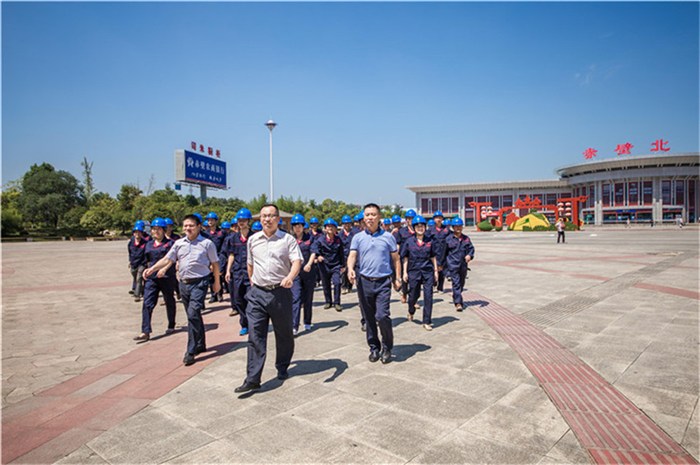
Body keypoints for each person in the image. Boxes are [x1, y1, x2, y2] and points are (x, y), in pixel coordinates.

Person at [234, 204, 303, 393]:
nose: (267, 219)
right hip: (257, 294)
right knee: (255, 335)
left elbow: (297, 261)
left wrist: (290, 277)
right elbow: (250, 264)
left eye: (271, 216)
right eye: (264, 216)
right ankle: (253, 378)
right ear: (259, 219)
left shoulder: (287, 239)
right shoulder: (253, 240)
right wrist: (253, 284)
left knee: (284, 334)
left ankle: (282, 366)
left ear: (278, 218)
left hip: (280, 292)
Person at [143, 214, 220, 366]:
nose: (187, 228)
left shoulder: (207, 244)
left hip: (200, 283)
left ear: (198, 226)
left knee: (192, 313)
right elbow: (168, 259)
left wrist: (216, 283)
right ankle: (201, 343)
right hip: (184, 284)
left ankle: (190, 351)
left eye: (191, 225)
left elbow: (215, 264)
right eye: (185, 226)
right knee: (194, 315)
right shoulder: (178, 244)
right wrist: (152, 268)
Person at [347, 203, 402, 364]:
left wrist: (397, 278)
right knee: (369, 318)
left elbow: (396, 259)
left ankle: (387, 347)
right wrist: (350, 269)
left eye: (373, 214)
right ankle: (374, 348)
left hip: (383, 282)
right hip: (364, 282)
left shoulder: (388, 237)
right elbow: (352, 256)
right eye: (367, 215)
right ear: (363, 218)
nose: (370, 217)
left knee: (382, 315)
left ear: (379, 217)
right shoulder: (357, 238)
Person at [133, 218, 177, 342]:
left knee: (169, 300)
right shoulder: (148, 244)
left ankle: (171, 324)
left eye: (158, 229)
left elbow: (172, 259)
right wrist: (145, 271)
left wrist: (165, 269)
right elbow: (146, 260)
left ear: (164, 230)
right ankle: (145, 331)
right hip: (152, 278)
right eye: (153, 229)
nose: (155, 232)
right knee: (147, 303)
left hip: (167, 277)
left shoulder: (170, 244)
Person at [401, 215, 438, 330]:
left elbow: (433, 257)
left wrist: (436, 271)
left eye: (422, 226)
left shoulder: (430, 241)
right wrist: (404, 273)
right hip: (414, 271)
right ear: (414, 227)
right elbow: (405, 257)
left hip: (427, 271)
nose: (420, 228)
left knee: (428, 296)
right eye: (418, 226)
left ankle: (426, 321)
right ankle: (411, 310)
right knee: (413, 295)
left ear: (425, 227)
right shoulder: (409, 241)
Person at [224, 208, 254, 334]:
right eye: (239, 220)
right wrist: (227, 271)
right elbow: (231, 255)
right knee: (238, 299)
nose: (241, 222)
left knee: (251, 299)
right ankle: (244, 324)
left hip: (251, 274)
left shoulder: (254, 237)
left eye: (244, 220)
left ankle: (252, 324)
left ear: (248, 221)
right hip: (237, 273)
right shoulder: (233, 238)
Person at [307, 218, 344, 311]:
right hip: (324, 265)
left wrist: (343, 265)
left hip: (335, 265)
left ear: (335, 229)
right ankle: (328, 301)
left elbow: (341, 253)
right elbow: (315, 249)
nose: (330, 228)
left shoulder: (338, 240)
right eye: (328, 226)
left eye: (332, 226)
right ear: (325, 228)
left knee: (337, 283)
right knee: (326, 284)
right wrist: (318, 256)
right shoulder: (320, 240)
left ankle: (337, 303)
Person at [290, 214, 315, 335]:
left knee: (308, 298)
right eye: (295, 225)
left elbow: (313, 252)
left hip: (308, 273)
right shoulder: (289, 239)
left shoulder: (310, 238)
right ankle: (294, 325)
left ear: (303, 226)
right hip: (295, 274)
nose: (297, 228)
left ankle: (307, 321)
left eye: (299, 225)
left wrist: (309, 264)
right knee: (296, 298)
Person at [442, 217, 475, 311]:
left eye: (460, 226)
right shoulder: (448, 239)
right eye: (456, 227)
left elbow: (471, 249)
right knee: (456, 283)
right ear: (453, 227)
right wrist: (442, 266)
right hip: (452, 265)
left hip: (463, 265)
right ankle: (458, 303)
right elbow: (443, 253)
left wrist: (469, 255)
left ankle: (456, 296)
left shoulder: (466, 239)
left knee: (461, 283)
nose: (458, 228)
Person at [204, 212, 226, 302]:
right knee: (210, 277)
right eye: (208, 220)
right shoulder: (205, 234)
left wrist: (223, 258)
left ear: (216, 221)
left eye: (212, 220)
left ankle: (220, 294)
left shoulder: (222, 232)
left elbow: (225, 245)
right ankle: (213, 295)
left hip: (219, 256)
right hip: (208, 257)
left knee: (218, 275)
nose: (210, 221)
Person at [428, 210, 450, 292]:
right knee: (433, 270)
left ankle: (440, 287)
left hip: (444, 253)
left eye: (440, 218)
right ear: (434, 219)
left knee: (442, 271)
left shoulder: (446, 230)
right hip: (434, 253)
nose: (438, 219)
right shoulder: (430, 230)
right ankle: (433, 283)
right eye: (436, 218)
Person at [128, 221, 148, 302]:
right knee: (135, 277)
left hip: (142, 263)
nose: (137, 234)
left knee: (139, 278)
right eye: (135, 232)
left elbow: (147, 253)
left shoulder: (145, 242)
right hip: (133, 263)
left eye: (139, 232)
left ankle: (137, 295)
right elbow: (129, 252)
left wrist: (146, 262)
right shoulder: (131, 242)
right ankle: (142, 290)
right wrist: (130, 261)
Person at [338, 215, 355, 294]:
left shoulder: (354, 233)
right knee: (343, 271)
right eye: (345, 224)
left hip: (352, 255)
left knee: (351, 270)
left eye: (348, 223)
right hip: (343, 255)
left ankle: (349, 286)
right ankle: (344, 286)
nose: (347, 225)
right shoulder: (340, 234)